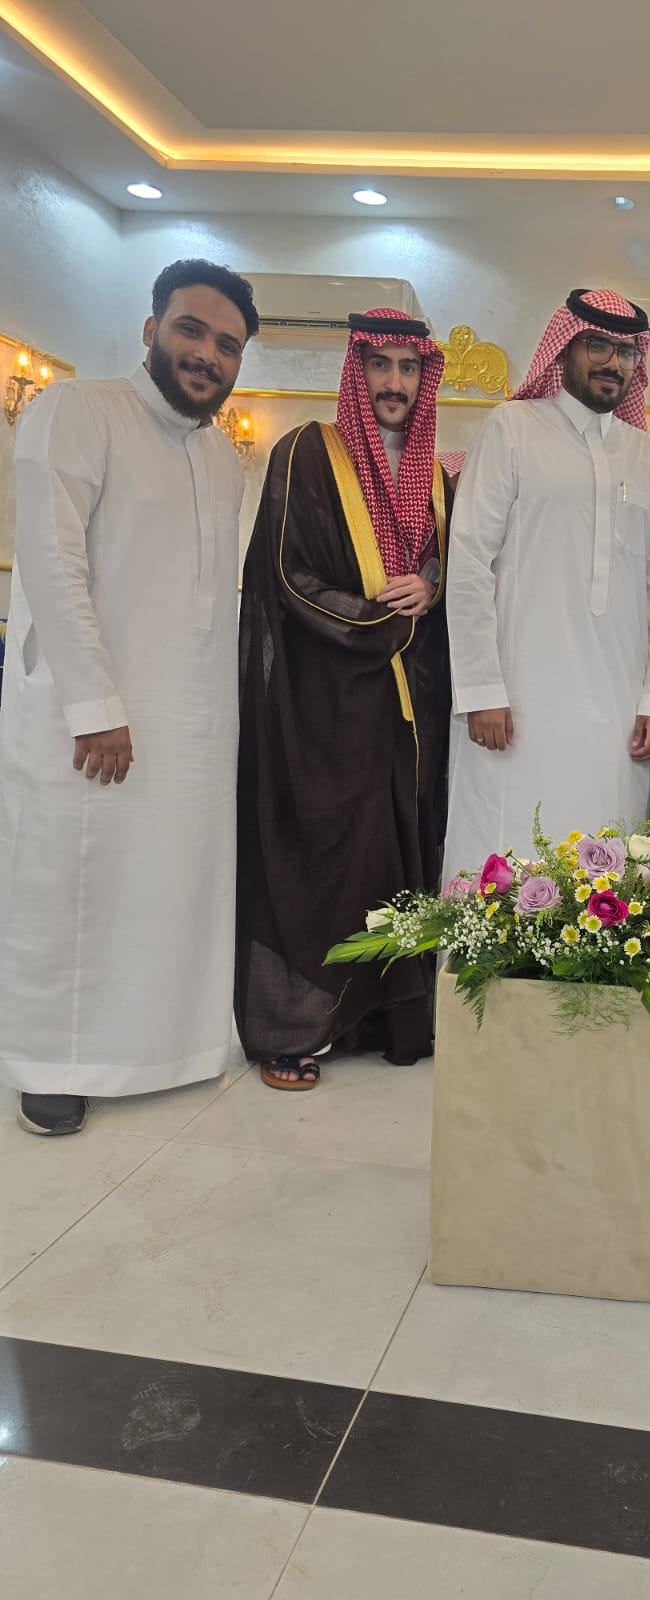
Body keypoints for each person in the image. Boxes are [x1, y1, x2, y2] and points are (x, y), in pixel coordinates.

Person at [0, 259, 258, 1135]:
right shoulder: (77, 411)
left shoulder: (221, 456)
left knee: (165, 884)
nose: (208, 354)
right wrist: (96, 706)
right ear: (151, 329)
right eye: (192, 330)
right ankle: (53, 1062)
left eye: (228, 345)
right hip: (95, 719)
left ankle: (165, 1046)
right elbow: (51, 562)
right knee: (75, 888)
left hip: (186, 720)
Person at [236, 311, 452, 1089]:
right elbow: (289, 575)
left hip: (408, 710)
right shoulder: (307, 451)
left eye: (409, 367)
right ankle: (295, 1028)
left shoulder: (436, 477)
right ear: (356, 372)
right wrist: (382, 623)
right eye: (380, 366)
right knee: (324, 860)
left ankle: (385, 1021)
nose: (395, 382)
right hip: (323, 704)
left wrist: (430, 585)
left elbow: (447, 568)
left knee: (396, 858)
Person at [443, 289, 650, 874]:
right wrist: (481, 689)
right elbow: (469, 562)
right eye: (597, 345)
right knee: (506, 861)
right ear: (564, 348)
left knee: (607, 871)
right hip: (517, 705)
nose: (613, 363)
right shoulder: (511, 429)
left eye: (626, 351)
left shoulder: (646, 456)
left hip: (616, 715)